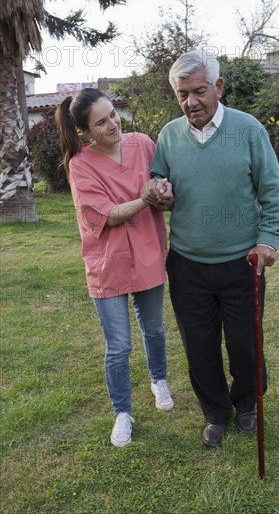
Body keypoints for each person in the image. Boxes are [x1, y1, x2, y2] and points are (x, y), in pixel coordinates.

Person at [142, 50, 279, 447]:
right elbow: (158, 180)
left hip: (242, 262)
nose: (191, 102)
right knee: (199, 347)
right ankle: (216, 413)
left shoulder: (248, 129)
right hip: (187, 264)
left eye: (199, 91)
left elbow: (273, 191)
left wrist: (267, 240)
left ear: (218, 87)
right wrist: (158, 190)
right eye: (182, 94)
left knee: (245, 344)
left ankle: (246, 404)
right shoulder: (169, 135)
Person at [55, 88, 174, 448]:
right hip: (107, 263)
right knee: (119, 346)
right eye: (101, 121)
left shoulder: (143, 143)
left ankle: (159, 380)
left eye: (113, 114)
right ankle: (123, 412)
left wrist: (165, 194)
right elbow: (106, 216)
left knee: (154, 328)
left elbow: (167, 195)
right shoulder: (80, 164)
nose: (112, 124)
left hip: (149, 252)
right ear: (85, 131)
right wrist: (144, 198)